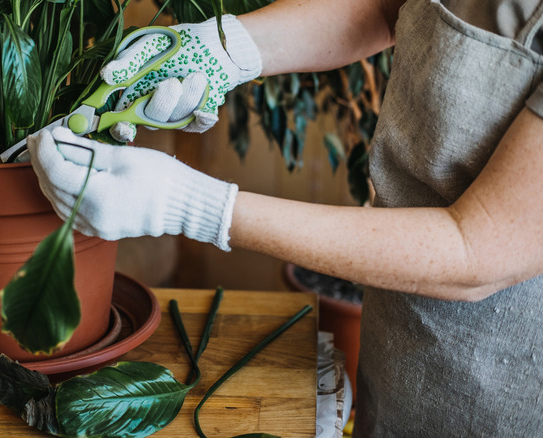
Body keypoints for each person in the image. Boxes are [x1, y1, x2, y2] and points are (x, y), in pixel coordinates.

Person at [28, 0, 543, 435]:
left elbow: (479, 248)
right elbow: (388, 7)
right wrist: (226, 47)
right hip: (399, 359)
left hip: (502, 395)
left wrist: (194, 205)